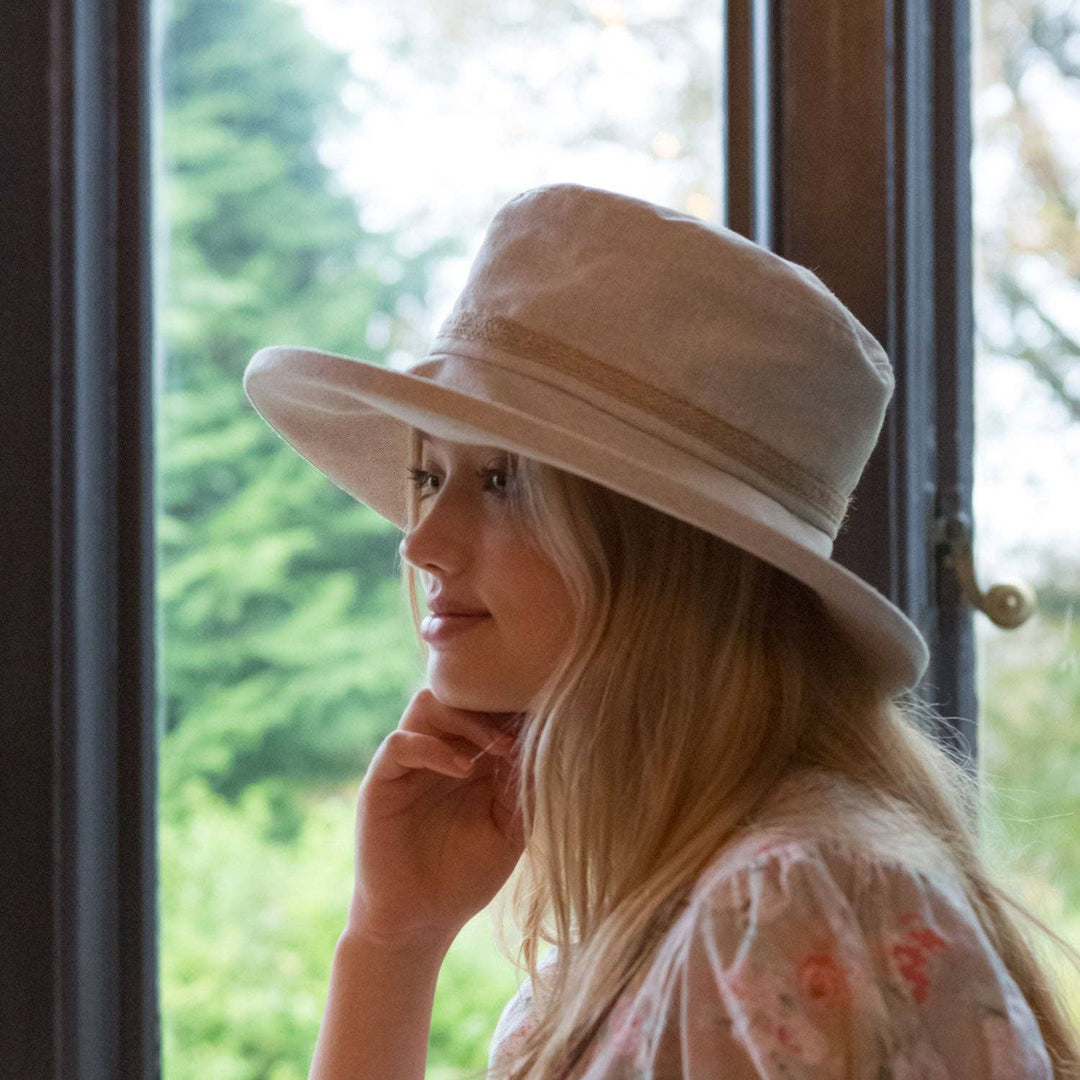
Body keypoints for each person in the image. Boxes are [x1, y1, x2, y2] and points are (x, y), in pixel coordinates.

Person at [242, 183, 1079, 1079]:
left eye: (502, 481)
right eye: (428, 475)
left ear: (667, 549)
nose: (423, 541)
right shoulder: (647, 939)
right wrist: (391, 941)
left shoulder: (785, 905)